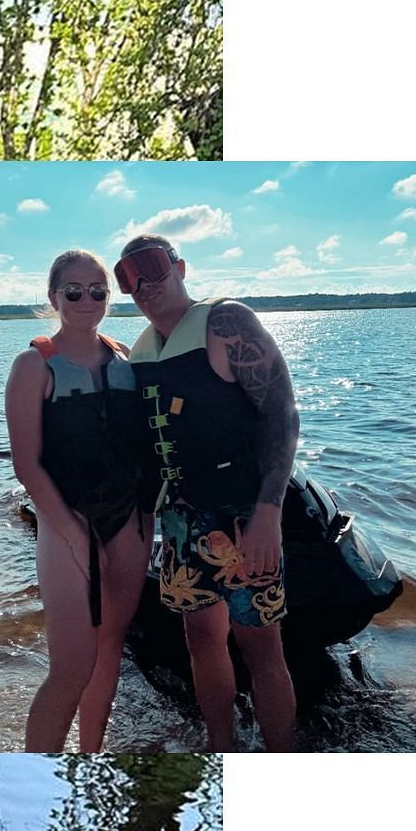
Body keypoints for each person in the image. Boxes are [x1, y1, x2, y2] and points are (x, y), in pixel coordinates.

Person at [118, 233, 297, 751]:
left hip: (244, 513)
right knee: (201, 641)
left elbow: (281, 414)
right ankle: (221, 746)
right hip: (181, 518)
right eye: (128, 278)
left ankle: (282, 754)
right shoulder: (143, 350)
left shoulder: (226, 322)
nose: (143, 285)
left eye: (152, 268)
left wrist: (268, 512)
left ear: (180, 267)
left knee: (261, 645)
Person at [6, 250, 150, 752]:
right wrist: (70, 530)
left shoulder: (128, 359)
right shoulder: (33, 366)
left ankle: (90, 756)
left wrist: (144, 522)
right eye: (74, 292)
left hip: (127, 524)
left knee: (110, 650)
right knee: (71, 669)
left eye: (98, 291)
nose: (87, 300)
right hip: (67, 529)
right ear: (54, 298)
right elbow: (28, 466)